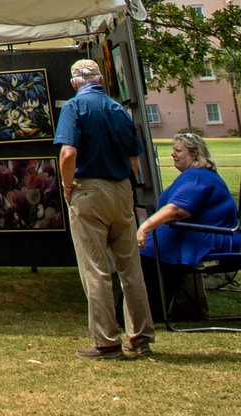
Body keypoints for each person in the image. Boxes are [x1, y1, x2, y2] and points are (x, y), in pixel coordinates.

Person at [56, 58, 153, 359]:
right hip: (121, 189)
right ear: (99, 80)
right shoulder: (118, 110)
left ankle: (107, 341)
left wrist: (68, 187)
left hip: (89, 190)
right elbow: (135, 159)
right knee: (130, 269)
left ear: (74, 83)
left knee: (95, 269)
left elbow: (68, 153)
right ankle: (141, 339)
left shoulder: (74, 108)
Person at [136, 131, 241, 320]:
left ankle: (150, 312)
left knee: (151, 251)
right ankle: (162, 308)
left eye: (178, 150)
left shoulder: (197, 177)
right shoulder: (200, 175)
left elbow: (177, 210)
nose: (172, 154)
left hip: (213, 238)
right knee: (155, 246)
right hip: (206, 234)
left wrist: (145, 227)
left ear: (194, 154)